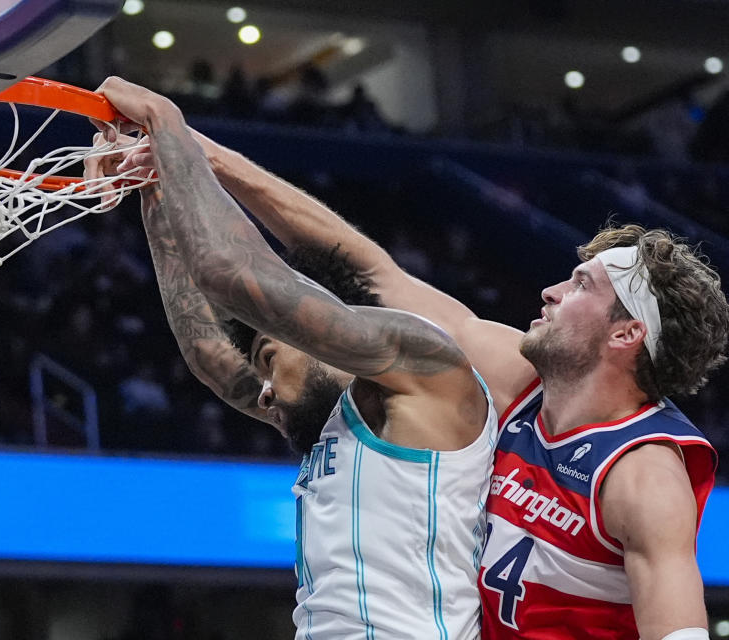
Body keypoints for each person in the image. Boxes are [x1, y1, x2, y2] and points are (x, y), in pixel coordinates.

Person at [89, 82, 729, 640]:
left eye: (582, 285)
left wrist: (171, 136)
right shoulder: (519, 379)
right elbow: (370, 269)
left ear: (626, 335)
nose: (551, 289)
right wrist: (194, 156)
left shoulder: (644, 473)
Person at [88, 77, 497, 640]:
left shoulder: (427, 366)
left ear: (310, 325)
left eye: (267, 357)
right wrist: (155, 183)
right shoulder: (331, 414)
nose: (260, 391)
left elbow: (232, 273)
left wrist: (164, 124)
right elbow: (209, 352)